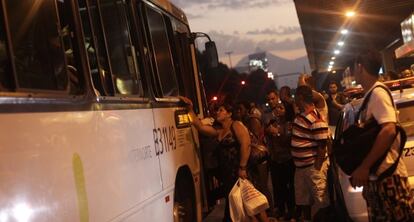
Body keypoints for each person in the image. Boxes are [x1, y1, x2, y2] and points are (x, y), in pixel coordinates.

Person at [179, 96, 269, 222]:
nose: (217, 112)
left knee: (254, 206)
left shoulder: (236, 125)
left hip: (242, 172)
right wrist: (190, 109)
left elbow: (246, 144)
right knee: (244, 208)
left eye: (221, 110)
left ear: (229, 113)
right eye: (217, 110)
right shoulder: (219, 130)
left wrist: (242, 167)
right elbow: (199, 127)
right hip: (229, 175)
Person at [349, 50, 414, 221]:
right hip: (379, 179)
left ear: (360, 67)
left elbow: (389, 129)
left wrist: (364, 167)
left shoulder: (378, 93)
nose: (353, 72)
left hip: (389, 179)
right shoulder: (371, 94)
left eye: (354, 68)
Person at [291, 85, 330, 222]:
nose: (294, 99)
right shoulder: (301, 116)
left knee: (322, 201)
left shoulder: (316, 118)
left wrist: (317, 167)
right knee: (303, 201)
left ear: (301, 98)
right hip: (301, 168)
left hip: (312, 168)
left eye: (295, 96)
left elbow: (322, 145)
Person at [263, 93, 296, 221]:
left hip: (287, 159)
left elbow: (288, 140)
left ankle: (292, 211)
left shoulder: (290, 123)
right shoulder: (271, 121)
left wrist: (277, 133)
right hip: (275, 159)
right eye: (277, 108)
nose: (278, 110)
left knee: (289, 187)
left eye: (281, 108)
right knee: (277, 186)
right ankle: (280, 210)